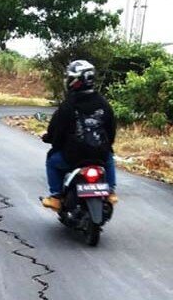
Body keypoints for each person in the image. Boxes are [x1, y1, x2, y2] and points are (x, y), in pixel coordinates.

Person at [41, 60, 118, 211]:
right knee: (109, 158)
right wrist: (107, 145)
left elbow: (57, 130)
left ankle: (56, 196)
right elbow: (111, 129)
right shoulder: (103, 103)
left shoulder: (68, 105)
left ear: (75, 81)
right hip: (100, 155)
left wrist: (51, 140)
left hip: (73, 157)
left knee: (51, 160)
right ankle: (110, 192)